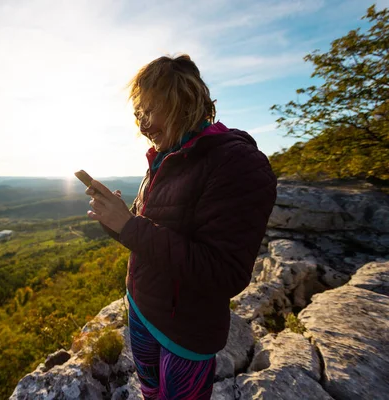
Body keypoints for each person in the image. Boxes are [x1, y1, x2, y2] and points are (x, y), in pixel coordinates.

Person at [85, 54, 277, 399]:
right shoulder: (164, 157)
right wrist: (111, 217)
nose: (142, 125)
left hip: (185, 333)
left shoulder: (237, 163)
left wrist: (128, 225)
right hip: (143, 311)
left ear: (184, 103)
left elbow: (224, 273)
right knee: (151, 392)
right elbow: (143, 235)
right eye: (137, 113)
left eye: (150, 110)